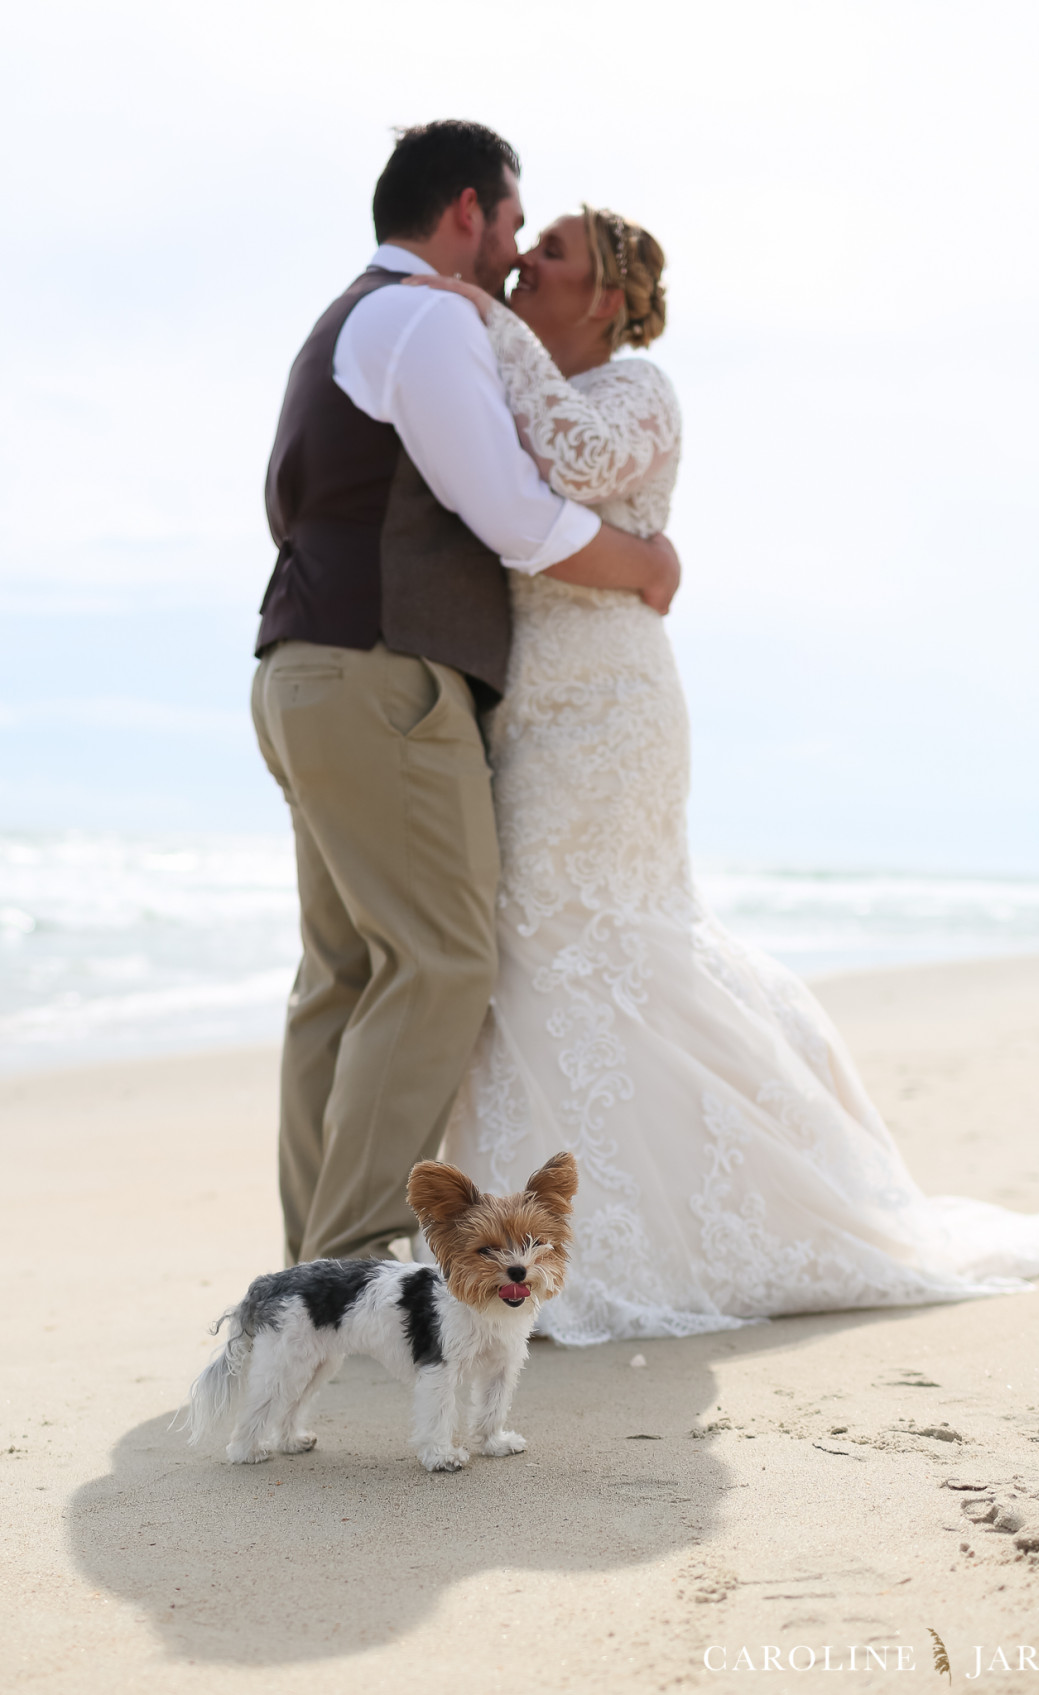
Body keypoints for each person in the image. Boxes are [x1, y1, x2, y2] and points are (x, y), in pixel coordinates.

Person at [409, 208, 1039, 1344]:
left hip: (611, 711)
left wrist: (486, 322)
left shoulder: (639, 388)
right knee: (540, 939)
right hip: (528, 702)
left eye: (552, 252)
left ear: (606, 297)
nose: (524, 263)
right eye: (525, 245)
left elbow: (577, 463)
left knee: (578, 929)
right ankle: (538, 1234)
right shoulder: (511, 377)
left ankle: (615, 1242)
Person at [251, 123, 680, 1268]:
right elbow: (514, 516)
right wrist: (644, 564)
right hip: (381, 673)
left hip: (304, 664)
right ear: (462, 213)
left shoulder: (346, 318)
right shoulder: (430, 318)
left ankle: (310, 1274)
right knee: (439, 959)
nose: (514, 254)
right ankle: (351, 1266)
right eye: (511, 224)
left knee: (342, 976)